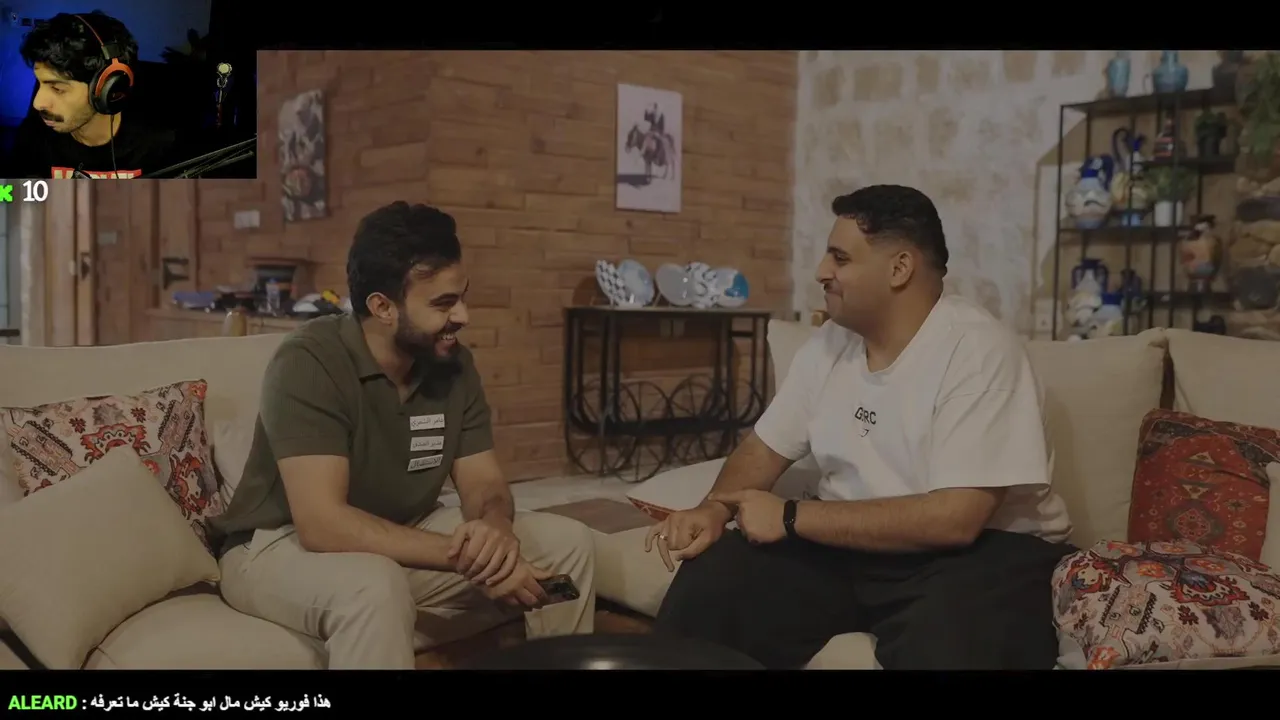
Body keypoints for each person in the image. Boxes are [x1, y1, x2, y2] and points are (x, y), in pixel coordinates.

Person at [645, 185, 1074, 670]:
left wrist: (790, 517)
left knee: (950, 635)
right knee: (717, 577)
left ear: (900, 268)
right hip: (850, 546)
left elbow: (956, 519)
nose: (821, 271)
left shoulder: (978, 350)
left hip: (981, 556)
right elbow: (762, 450)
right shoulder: (829, 344)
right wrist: (713, 508)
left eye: (840, 258)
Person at [209, 202, 597, 669]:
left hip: (403, 531)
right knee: (374, 586)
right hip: (274, 546)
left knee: (566, 542)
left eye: (462, 297)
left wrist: (495, 531)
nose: (464, 316)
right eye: (443, 304)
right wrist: (469, 559)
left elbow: (483, 482)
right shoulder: (309, 362)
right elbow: (322, 524)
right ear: (383, 307)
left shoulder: (453, 365)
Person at [7, 12, 175, 179]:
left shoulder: (160, 145)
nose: (37, 103)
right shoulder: (32, 138)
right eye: (39, 82)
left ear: (107, 89)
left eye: (58, 89)